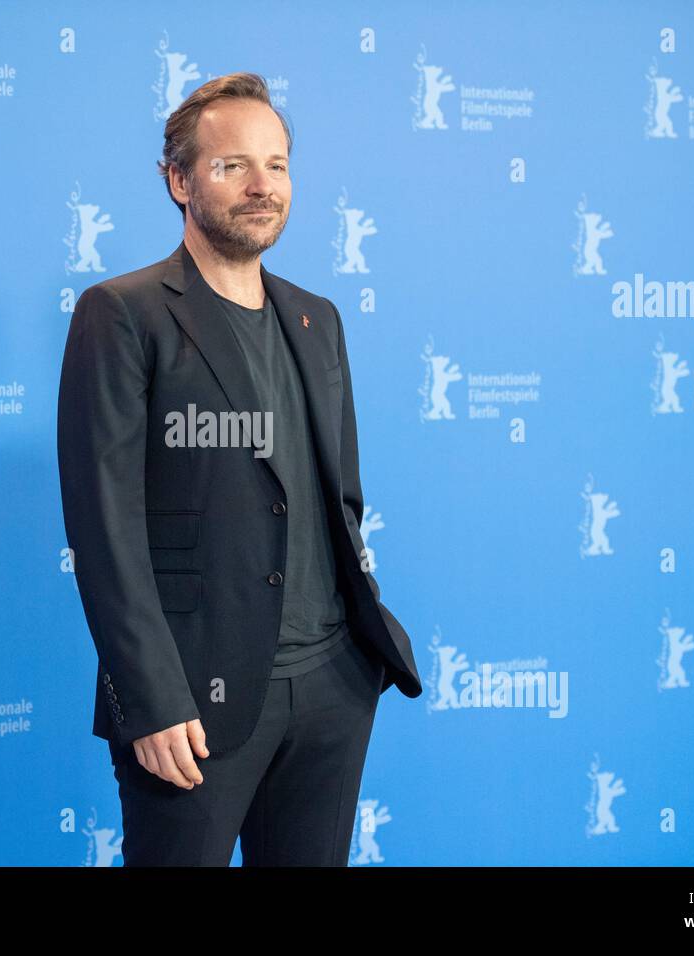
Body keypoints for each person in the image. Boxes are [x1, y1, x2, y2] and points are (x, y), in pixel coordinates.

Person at [57, 72, 421, 866]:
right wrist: (149, 698)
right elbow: (103, 528)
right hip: (192, 706)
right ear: (179, 181)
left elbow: (338, 497)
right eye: (232, 166)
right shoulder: (123, 313)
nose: (263, 186)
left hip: (332, 687)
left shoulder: (315, 317)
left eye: (278, 164)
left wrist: (359, 651)